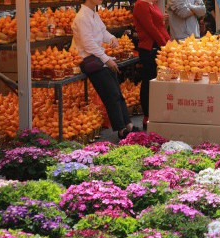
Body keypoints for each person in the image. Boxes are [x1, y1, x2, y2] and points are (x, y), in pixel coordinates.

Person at [72, 0, 138, 139]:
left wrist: (112, 38)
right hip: (90, 61)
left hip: (98, 58)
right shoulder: (82, 17)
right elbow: (88, 44)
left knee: (117, 93)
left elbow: (102, 31)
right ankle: (121, 129)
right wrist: (106, 59)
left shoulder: (93, 14)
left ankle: (128, 125)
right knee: (112, 94)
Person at [133, 0, 171, 130]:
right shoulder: (141, 5)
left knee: (157, 81)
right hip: (149, 48)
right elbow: (150, 28)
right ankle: (147, 115)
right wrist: (164, 44)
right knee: (149, 81)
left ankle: (157, 113)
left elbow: (160, 26)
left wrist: (169, 43)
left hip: (158, 46)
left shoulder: (152, 4)